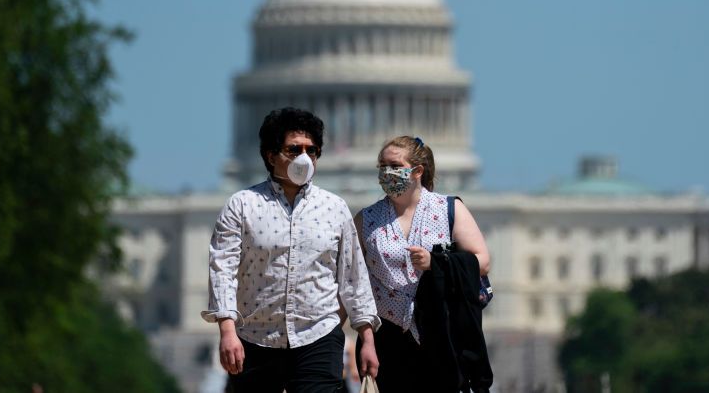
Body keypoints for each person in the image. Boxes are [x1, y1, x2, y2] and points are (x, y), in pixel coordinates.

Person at [203, 107, 380, 393]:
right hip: (256, 337)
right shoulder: (242, 205)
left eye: (312, 150)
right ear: (271, 156)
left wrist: (367, 338)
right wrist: (227, 330)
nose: (304, 157)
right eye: (294, 149)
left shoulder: (335, 208)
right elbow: (223, 270)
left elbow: (353, 277)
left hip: (318, 336)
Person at [355, 136, 493, 392]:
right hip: (389, 336)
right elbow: (355, 283)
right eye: (382, 166)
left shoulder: (449, 208)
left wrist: (437, 263)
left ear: (417, 170)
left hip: (442, 332)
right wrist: (365, 339)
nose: (387, 172)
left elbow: (482, 261)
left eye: (394, 165)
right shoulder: (366, 219)